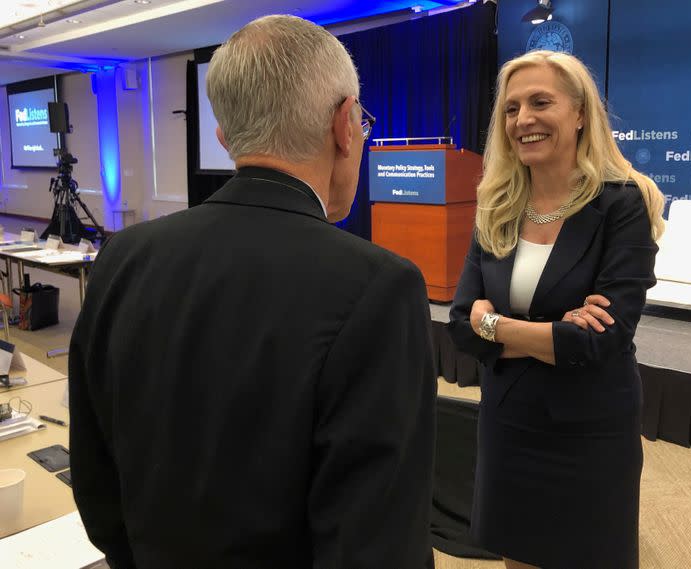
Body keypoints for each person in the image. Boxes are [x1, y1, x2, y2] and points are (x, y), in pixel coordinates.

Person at [69, 15, 436, 569]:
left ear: (224, 138)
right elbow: (377, 544)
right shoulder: (381, 288)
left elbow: (95, 480)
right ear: (346, 125)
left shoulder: (123, 257)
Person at [447, 50, 665, 569]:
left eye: (541, 102)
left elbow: (598, 341)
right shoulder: (496, 205)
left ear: (580, 113)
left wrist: (494, 323)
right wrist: (545, 332)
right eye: (511, 108)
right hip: (510, 421)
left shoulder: (622, 203)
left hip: (590, 427)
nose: (523, 119)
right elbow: (459, 324)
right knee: (517, 556)